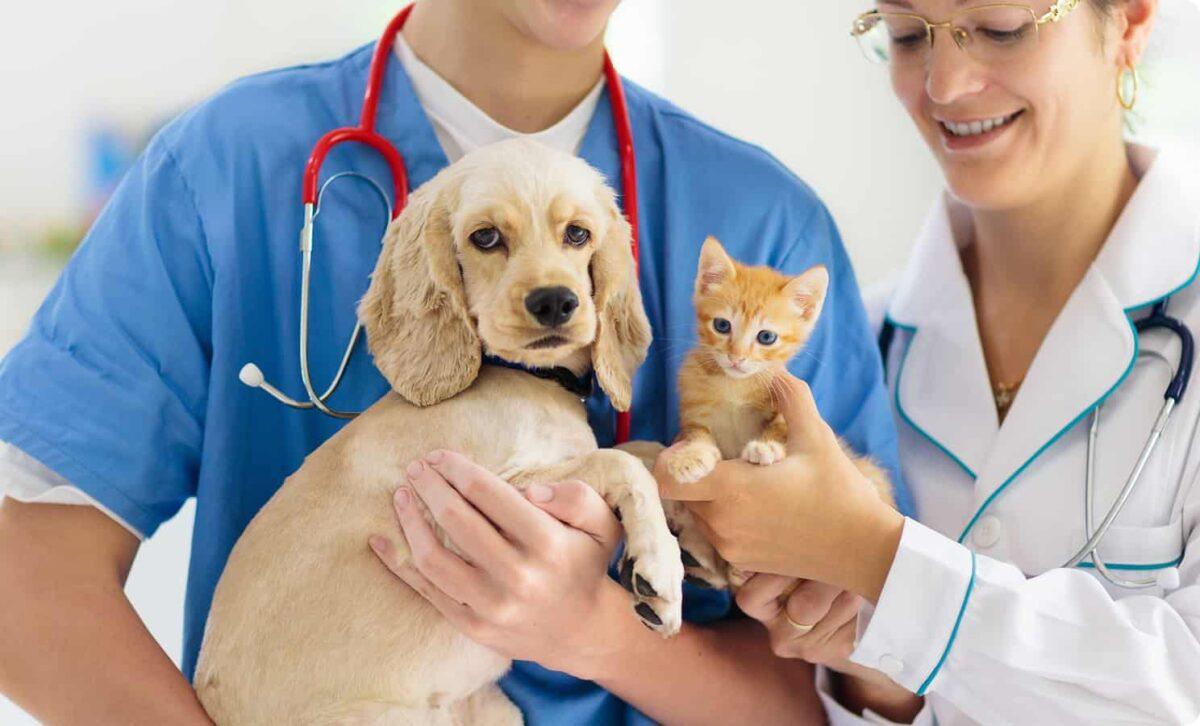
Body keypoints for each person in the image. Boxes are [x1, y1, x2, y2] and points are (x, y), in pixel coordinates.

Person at [0, 1, 908, 723]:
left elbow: (846, 689)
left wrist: (604, 639)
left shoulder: (759, 227)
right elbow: (22, 568)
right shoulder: (228, 168)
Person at [654, 0, 1200, 722]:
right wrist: (869, 670)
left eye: (1002, 27)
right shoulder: (865, 345)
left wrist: (879, 559)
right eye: (908, 35)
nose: (944, 85)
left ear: (1127, 22)